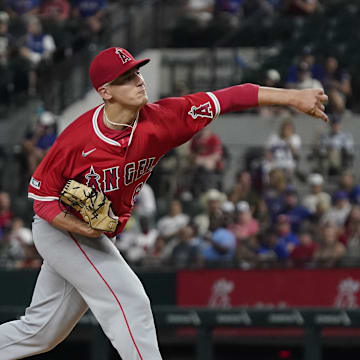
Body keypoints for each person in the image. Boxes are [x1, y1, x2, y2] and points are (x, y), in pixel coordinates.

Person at [0, 47, 328, 359]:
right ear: (105, 91)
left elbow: (229, 97)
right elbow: (42, 199)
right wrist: (79, 227)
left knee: (42, 332)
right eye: (126, 78)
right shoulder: (76, 139)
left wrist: (292, 97)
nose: (139, 80)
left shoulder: (166, 119)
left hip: (88, 232)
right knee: (131, 302)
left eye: (137, 72)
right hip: (58, 227)